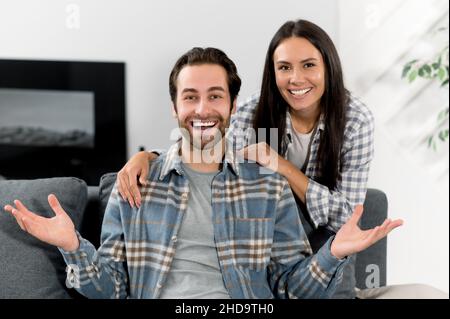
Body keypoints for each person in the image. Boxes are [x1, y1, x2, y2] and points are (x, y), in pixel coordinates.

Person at [4, 47, 402, 299]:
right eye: (190, 97)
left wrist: (333, 253)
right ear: (174, 108)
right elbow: (112, 289)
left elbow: (290, 288)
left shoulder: (266, 185)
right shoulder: (136, 185)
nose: (202, 109)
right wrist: (73, 246)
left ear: (231, 106)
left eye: (215, 96)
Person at [116, 19, 374, 298]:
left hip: (324, 230)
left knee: (338, 257)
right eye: (284, 67)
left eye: (309, 65)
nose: (296, 79)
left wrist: (282, 167)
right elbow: (206, 150)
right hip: (264, 229)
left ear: (329, 67)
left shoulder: (355, 121)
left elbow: (347, 217)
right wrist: (148, 157)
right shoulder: (253, 112)